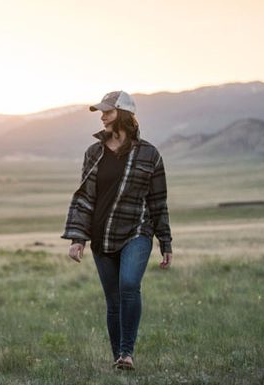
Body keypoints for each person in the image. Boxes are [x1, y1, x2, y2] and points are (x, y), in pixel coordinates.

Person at [61, 90, 173, 370]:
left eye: (107, 112)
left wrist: (165, 241)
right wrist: (78, 238)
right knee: (112, 301)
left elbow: (158, 201)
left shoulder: (149, 154)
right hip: (102, 236)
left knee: (129, 286)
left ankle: (127, 353)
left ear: (122, 114)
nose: (102, 117)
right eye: (101, 112)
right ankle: (119, 360)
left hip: (137, 231)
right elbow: (86, 197)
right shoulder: (94, 152)